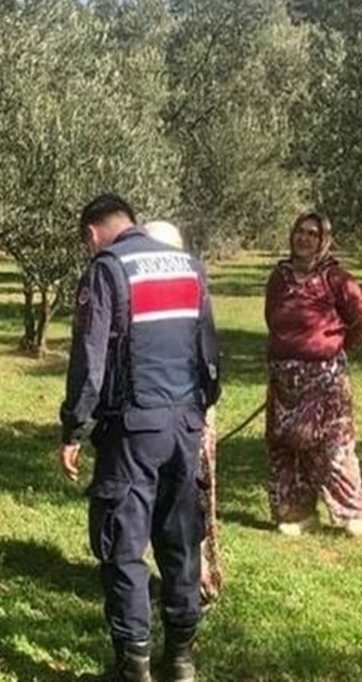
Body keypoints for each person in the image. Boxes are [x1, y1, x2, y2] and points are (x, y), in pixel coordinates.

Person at [59, 195, 221, 682]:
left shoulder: (108, 269)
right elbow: (209, 350)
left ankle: (133, 667)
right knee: (180, 542)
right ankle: (182, 661)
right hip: (185, 424)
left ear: (93, 233)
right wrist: (198, 411)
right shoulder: (189, 266)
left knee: (122, 546)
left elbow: (90, 362)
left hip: (132, 431)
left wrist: (74, 428)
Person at [263, 211, 362, 537]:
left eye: (313, 233)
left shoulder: (337, 279)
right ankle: (295, 512)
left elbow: (360, 320)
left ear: (323, 240)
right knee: (285, 445)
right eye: (300, 231)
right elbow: (272, 317)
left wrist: (331, 348)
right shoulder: (279, 278)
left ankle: (353, 511)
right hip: (284, 380)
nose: (304, 238)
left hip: (325, 379)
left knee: (331, 446)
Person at [142, 220, 223, 604]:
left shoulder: (184, 287)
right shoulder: (187, 283)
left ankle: (195, 581)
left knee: (188, 501)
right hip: (182, 412)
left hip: (179, 416)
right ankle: (181, 581)